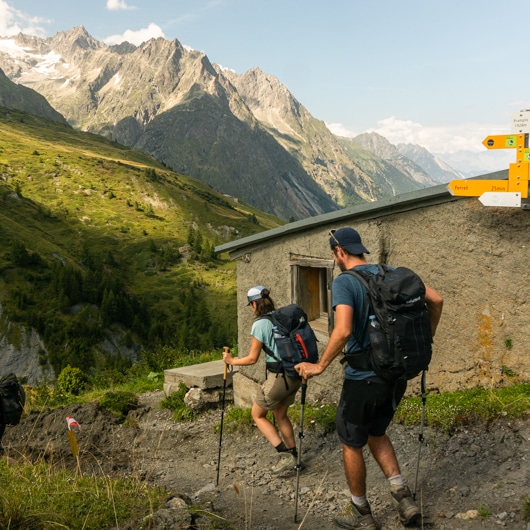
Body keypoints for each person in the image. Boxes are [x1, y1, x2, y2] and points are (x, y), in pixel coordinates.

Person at [296, 227, 443, 530]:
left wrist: (319, 366)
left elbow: (344, 330)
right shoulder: (390, 273)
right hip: (397, 375)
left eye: (334, 254)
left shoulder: (345, 282)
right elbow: (437, 300)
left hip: (363, 376)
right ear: (359, 249)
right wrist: (425, 339)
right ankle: (403, 498)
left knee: (351, 442)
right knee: (377, 432)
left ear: (339, 252)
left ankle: (360, 513)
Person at [223, 286, 303, 474]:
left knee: (257, 414)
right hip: (295, 374)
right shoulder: (281, 317)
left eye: (250, 305)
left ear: (253, 304)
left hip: (279, 378)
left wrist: (231, 361)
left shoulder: (260, 325)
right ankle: (294, 457)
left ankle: (285, 456)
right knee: (280, 414)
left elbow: (252, 359)